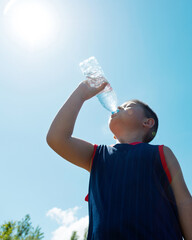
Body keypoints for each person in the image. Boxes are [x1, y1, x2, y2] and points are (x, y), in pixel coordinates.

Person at [46, 80, 192, 240]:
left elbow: (184, 202)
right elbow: (56, 138)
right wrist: (81, 93)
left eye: (128, 105)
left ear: (147, 122)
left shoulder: (160, 152)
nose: (120, 106)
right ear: (114, 135)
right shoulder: (98, 155)